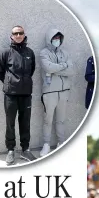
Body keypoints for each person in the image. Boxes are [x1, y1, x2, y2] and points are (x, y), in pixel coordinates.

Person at [0, 25, 36, 165]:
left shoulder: (30, 52)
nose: (18, 35)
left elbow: (32, 70)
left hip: (26, 94)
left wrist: (23, 83)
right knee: (10, 123)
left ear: (24, 35)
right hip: (10, 94)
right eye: (15, 33)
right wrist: (9, 82)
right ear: (11, 36)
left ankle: (25, 149)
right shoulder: (6, 53)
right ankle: (10, 150)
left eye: (20, 33)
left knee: (25, 123)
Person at [39, 28, 75, 157]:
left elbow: (71, 71)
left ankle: (61, 143)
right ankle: (46, 144)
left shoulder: (65, 53)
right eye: (54, 38)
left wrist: (55, 70)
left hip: (64, 92)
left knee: (61, 120)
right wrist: (64, 66)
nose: (57, 41)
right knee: (47, 120)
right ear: (49, 39)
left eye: (58, 38)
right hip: (49, 92)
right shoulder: (44, 53)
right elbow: (47, 67)